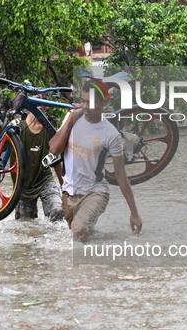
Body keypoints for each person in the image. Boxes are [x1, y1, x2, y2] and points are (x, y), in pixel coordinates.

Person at [49, 78, 142, 242]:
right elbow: (54, 149)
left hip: (95, 192)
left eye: (90, 102)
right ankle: (97, 264)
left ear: (104, 102)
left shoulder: (111, 134)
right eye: (83, 101)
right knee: (81, 237)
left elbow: (121, 175)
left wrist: (134, 212)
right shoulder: (72, 118)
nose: (85, 106)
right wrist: (71, 118)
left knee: (77, 231)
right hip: (68, 193)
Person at [0, 104, 65, 222]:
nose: (40, 105)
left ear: (47, 106)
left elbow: (56, 160)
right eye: (37, 98)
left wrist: (64, 189)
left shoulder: (49, 129)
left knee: (58, 213)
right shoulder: (17, 127)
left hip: (44, 181)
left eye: (44, 100)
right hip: (22, 187)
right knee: (25, 227)